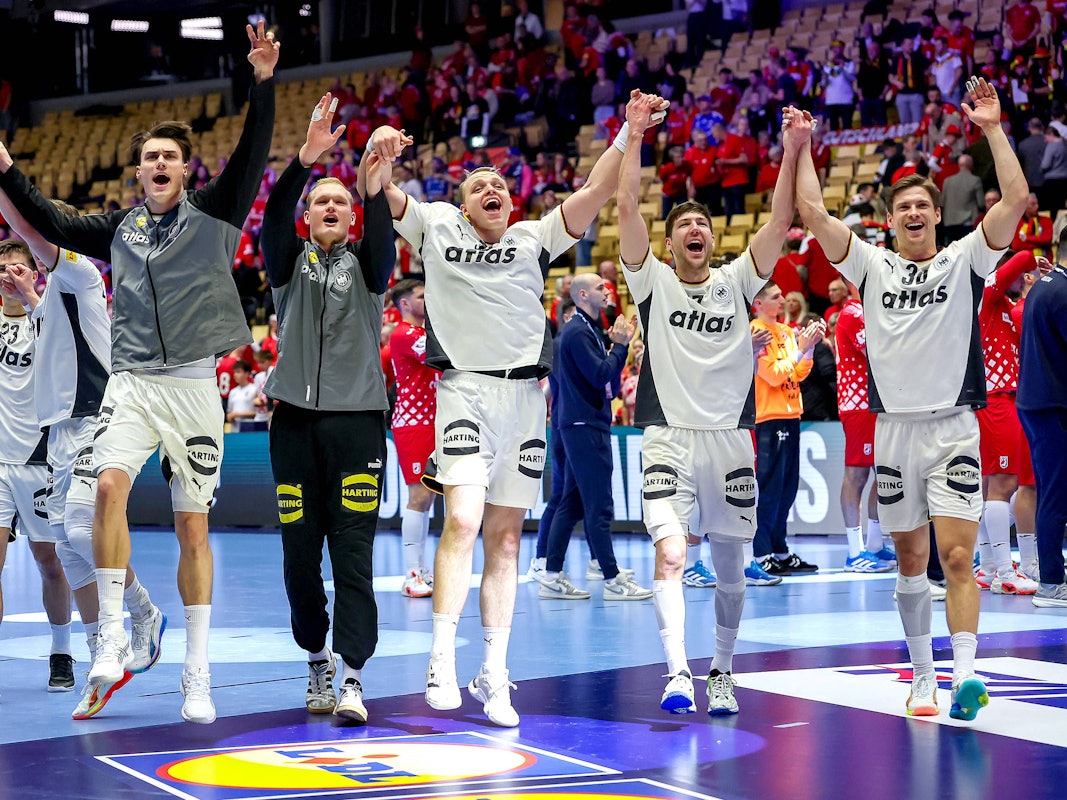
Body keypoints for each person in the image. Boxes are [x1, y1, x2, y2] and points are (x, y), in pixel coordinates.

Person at [0, 21, 279, 725]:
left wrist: (263, 81)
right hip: (130, 385)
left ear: (185, 171)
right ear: (138, 172)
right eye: (149, 156)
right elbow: (48, 219)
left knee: (191, 529)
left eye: (169, 157)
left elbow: (251, 154)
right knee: (106, 491)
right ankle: (112, 636)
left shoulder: (215, 214)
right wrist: (4, 168)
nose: (158, 163)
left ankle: (196, 671)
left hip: (192, 386)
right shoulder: (118, 229)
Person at [376, 91, 669, 728]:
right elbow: (382, 192)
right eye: (478, 185)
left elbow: (597, 189)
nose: (492, 190)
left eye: (500, 186)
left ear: (511, 203)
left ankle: (494, 670)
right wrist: (380, 153)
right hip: (465, 391)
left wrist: (629, 131)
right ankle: (441, 658)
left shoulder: (534, 237)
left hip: (526, 401)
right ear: (462, 203)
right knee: (462, 519)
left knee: (506, 538)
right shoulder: (435, 226)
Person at [795, 76, 1028, 721]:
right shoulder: (871, 266)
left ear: (937, 215)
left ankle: (967, 676)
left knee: (957, 555)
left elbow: (1016, 198)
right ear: (892, 220)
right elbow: (813, 213)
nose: (916, 213)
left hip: (954, 429)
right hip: (895, 433)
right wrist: (802, 145)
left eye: (924, 204)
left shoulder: (965, 260)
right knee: (910, 558)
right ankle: (923, 676)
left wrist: (991, 128)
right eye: (905, 208)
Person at [617, 97, 808, 717]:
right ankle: (678, 671)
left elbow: (780, 221)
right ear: (670, 241)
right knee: (672, 554)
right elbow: (625, 206)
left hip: (728, 439)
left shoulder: (736, 282)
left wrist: (793, 149)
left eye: (702, 224)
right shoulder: (652, 282)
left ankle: (722, 670)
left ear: (712, 238)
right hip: (668, 437)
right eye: (683, 225)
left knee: (731, 568)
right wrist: (634, 135)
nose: (694, 230)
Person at [0, 199, 164, 719]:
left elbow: (35, 230)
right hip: (58, 432)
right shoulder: (48, 294)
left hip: (98, 417)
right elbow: (49, 325)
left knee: (77, 530)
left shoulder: (81, 273)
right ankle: (100, 656)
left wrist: (6, 181)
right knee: (69, 554)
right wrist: (28, 296)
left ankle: (141, 614)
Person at [261, 93, 396, 724]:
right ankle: (315, 657)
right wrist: (306, 160)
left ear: (352, 216)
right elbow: (270, 218)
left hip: (357, 423)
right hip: (292, 424)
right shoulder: (287, 266)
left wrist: (375, 182)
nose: (332, 207)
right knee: (299, 556)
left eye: (341, 202)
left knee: (354, 556)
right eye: (321, 201)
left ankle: (352, 678)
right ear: (308, 216)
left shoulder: (369, 269)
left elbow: (383, 237)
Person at [539, 273, 651, 601]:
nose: (608, 291)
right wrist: (621, 346)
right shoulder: (577, 332)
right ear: (583, 295)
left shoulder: (586, 329)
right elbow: (602, 374)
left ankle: (551, 574)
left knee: (572, 502)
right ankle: (612, 578)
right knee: (598, 505)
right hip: (584, 424)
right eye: (600, 287)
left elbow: (607, 381)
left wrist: (617, 347)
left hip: (580, 423)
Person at [0, 241, 76, 695]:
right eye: (1, 269)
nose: (7, 275)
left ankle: (61, 651)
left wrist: (32, 298)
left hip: (37, 459)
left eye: (17, 268)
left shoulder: (48, 318)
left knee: (49, 561)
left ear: (34, 273)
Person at [973, 250, 1041, 595]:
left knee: (999, 486)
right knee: (1002, 484)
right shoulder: (985, 293)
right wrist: (1034, 265)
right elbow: (1023, 255)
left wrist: (1033, 286)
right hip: (995, 398)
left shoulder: (1007, 308)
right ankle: (1004, 571)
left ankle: (989, 568)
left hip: (1008, 399)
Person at [750, 284, 825, 577]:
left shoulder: (784, 331)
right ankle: (761, 553)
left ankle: (779, 549)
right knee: (770, 488)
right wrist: (801, 349)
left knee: (787, 487)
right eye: (775, 297)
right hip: (769, 418)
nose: (782, 300)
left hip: (791, 414)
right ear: (758, 303)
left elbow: (799, 373)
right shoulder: (756, 332)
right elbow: (772, 375)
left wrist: (810, 347)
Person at [1017, 236, 1067, 606]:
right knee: (1055, 493)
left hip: (1039, 401)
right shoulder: (1062, 291)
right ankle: (1051, 582)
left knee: (1052, 490)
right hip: (1052, 404)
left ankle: (1051, 575)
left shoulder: (1044, 285)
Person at [835, 279, 895, 572]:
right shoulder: (853, 313)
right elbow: (880, 352)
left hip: (878, 402)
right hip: (859, 403)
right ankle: (853, 552)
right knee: (856, 475)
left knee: (883, 474)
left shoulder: (871, 309)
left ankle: (874, 544)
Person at [389, 278, 438, 598]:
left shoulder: (421, 333)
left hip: (432, 421)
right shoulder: (404, 334)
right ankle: (411, 573)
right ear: (405, 304)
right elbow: (442, 357)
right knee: (418, 497)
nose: (427, 299)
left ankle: (421, 569)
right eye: (421, 296)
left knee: (428, 497)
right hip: (414, 422)